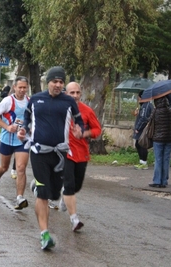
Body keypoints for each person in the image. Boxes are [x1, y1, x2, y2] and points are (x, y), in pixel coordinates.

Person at [17, 66, 84, 250]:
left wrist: (79, 130)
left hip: (60, 154)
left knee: (54, 194)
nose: (58, 85)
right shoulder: (36, 99)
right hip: (39, 152)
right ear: (48, 82)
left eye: (61, 82)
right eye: (55, 81)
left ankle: (38, 186)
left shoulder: (69, 102)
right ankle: (44, 234)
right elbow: (26, 120)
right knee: (44, 193)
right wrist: (23, 129)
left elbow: (79, 121)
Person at [59, 82, 101, 231]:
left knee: (76, 186)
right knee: (69, 185)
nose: (75, 96)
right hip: (64, 152)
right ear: (66, 94)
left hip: (81, 154)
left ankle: (66, 196)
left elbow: (97, 130)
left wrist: (84, 133)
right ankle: (74, 219)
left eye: (77, 92)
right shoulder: (60, 108)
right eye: (72, 93)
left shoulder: (87, 111)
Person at [0, 76, 30, 210]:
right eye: (20, 87)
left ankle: (19, 198)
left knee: (20, 168)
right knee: (4, 168)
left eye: (25, 87)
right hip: (7, 139)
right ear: (14, 87)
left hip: (22, 141)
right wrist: (7, 127)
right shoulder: (8, 101)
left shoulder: (30, 102)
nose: (22, 90)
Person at [149, 94, 171, 188]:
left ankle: (157, 181)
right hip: (169, 138)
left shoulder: (156, 110)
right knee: (166, 160)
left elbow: (150, 120)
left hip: (158, 138)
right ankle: (164, 181)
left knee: (158, 160)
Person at [133, 90, 154, 170]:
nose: (138, 98)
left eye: (139, 97)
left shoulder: (146, 106)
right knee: (138, 144)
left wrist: (138, 128)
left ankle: (144, 163)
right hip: (143, 128)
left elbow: (144, 118)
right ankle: (142, 161)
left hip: (143, 129)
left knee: (141, 145)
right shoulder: (145, 105)